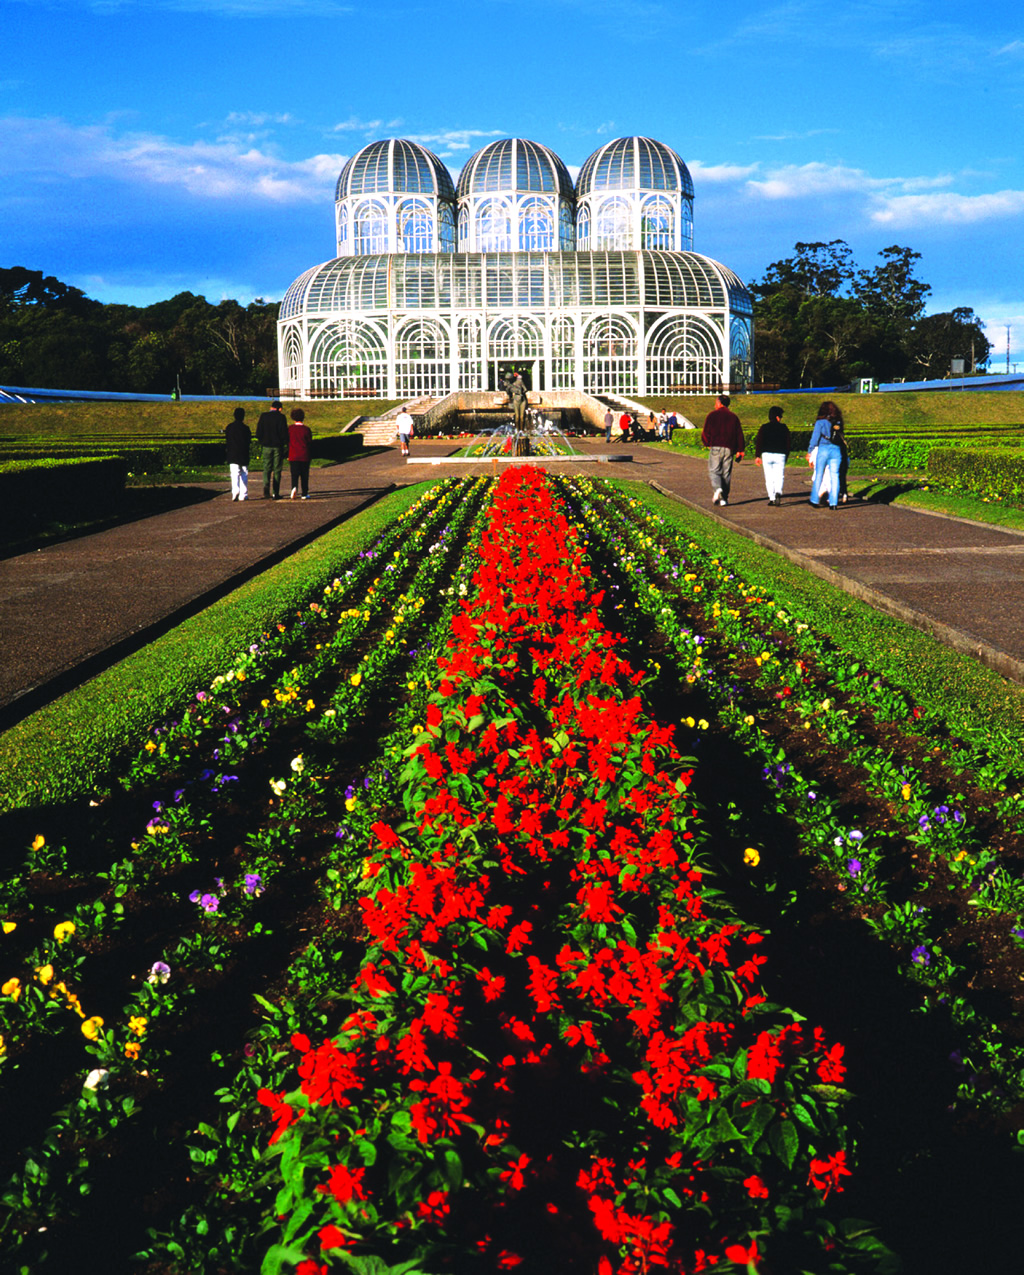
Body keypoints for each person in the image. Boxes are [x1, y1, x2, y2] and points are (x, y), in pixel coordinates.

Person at [701, 393, 745, 507]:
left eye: (716, 402)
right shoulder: (733, 417)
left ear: (719, 403)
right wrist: (740, 449)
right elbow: (739, 434)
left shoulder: (712, 415)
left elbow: (706, 432)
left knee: (714, 470)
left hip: (716, 446)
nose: (715, 405)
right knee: (726, 473)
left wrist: (707, 443)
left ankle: (718, 489)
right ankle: (724, 498)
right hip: (729, 448)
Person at [807, 400, 845, 509]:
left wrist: (810, 451)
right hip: (836, 450)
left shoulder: (820, 422)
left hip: (823, 448)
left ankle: (814, 499)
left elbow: (815, 439)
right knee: (834, 475)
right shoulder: (838, 422)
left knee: (819, 474)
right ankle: (833, 503)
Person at [754, 405, 790, 506]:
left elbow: (759, 442)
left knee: (769, 477)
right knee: (779, 476)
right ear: (778, 417)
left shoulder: (764, 427)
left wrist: (757, 456)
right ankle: (778, 492)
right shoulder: (784, 428)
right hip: (780, 455)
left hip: (767, 454)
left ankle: (772, 498)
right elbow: (788, 443)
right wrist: (786, 454)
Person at [256, 399, 289, 499]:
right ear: (280, 409)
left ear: (271, 407)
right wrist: (284, 444)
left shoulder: (264, 416)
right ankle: (275, 492)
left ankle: (266, 491)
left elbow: (258, 432)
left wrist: (262, 441)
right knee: (277, 469)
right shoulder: (281, 417)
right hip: (277, 446)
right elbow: (284, 433)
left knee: (266, 469)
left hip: (266, 446)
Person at [224, 407, 251, 502]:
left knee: (234, 473)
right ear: (243, 416)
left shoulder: (229, 427)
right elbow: (249, 441)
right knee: (244, 473)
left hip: (232, 453)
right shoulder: (246, 428)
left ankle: (235, 490)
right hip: (243, 453)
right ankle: (244, 494)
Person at [288, 408, 313, 499]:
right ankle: (304, 493)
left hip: (293, 455)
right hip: (304, 454)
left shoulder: (290, 429)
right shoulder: (306, 429)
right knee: (304, 475)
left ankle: (294, 487)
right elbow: (309, 442)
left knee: (294, 474)